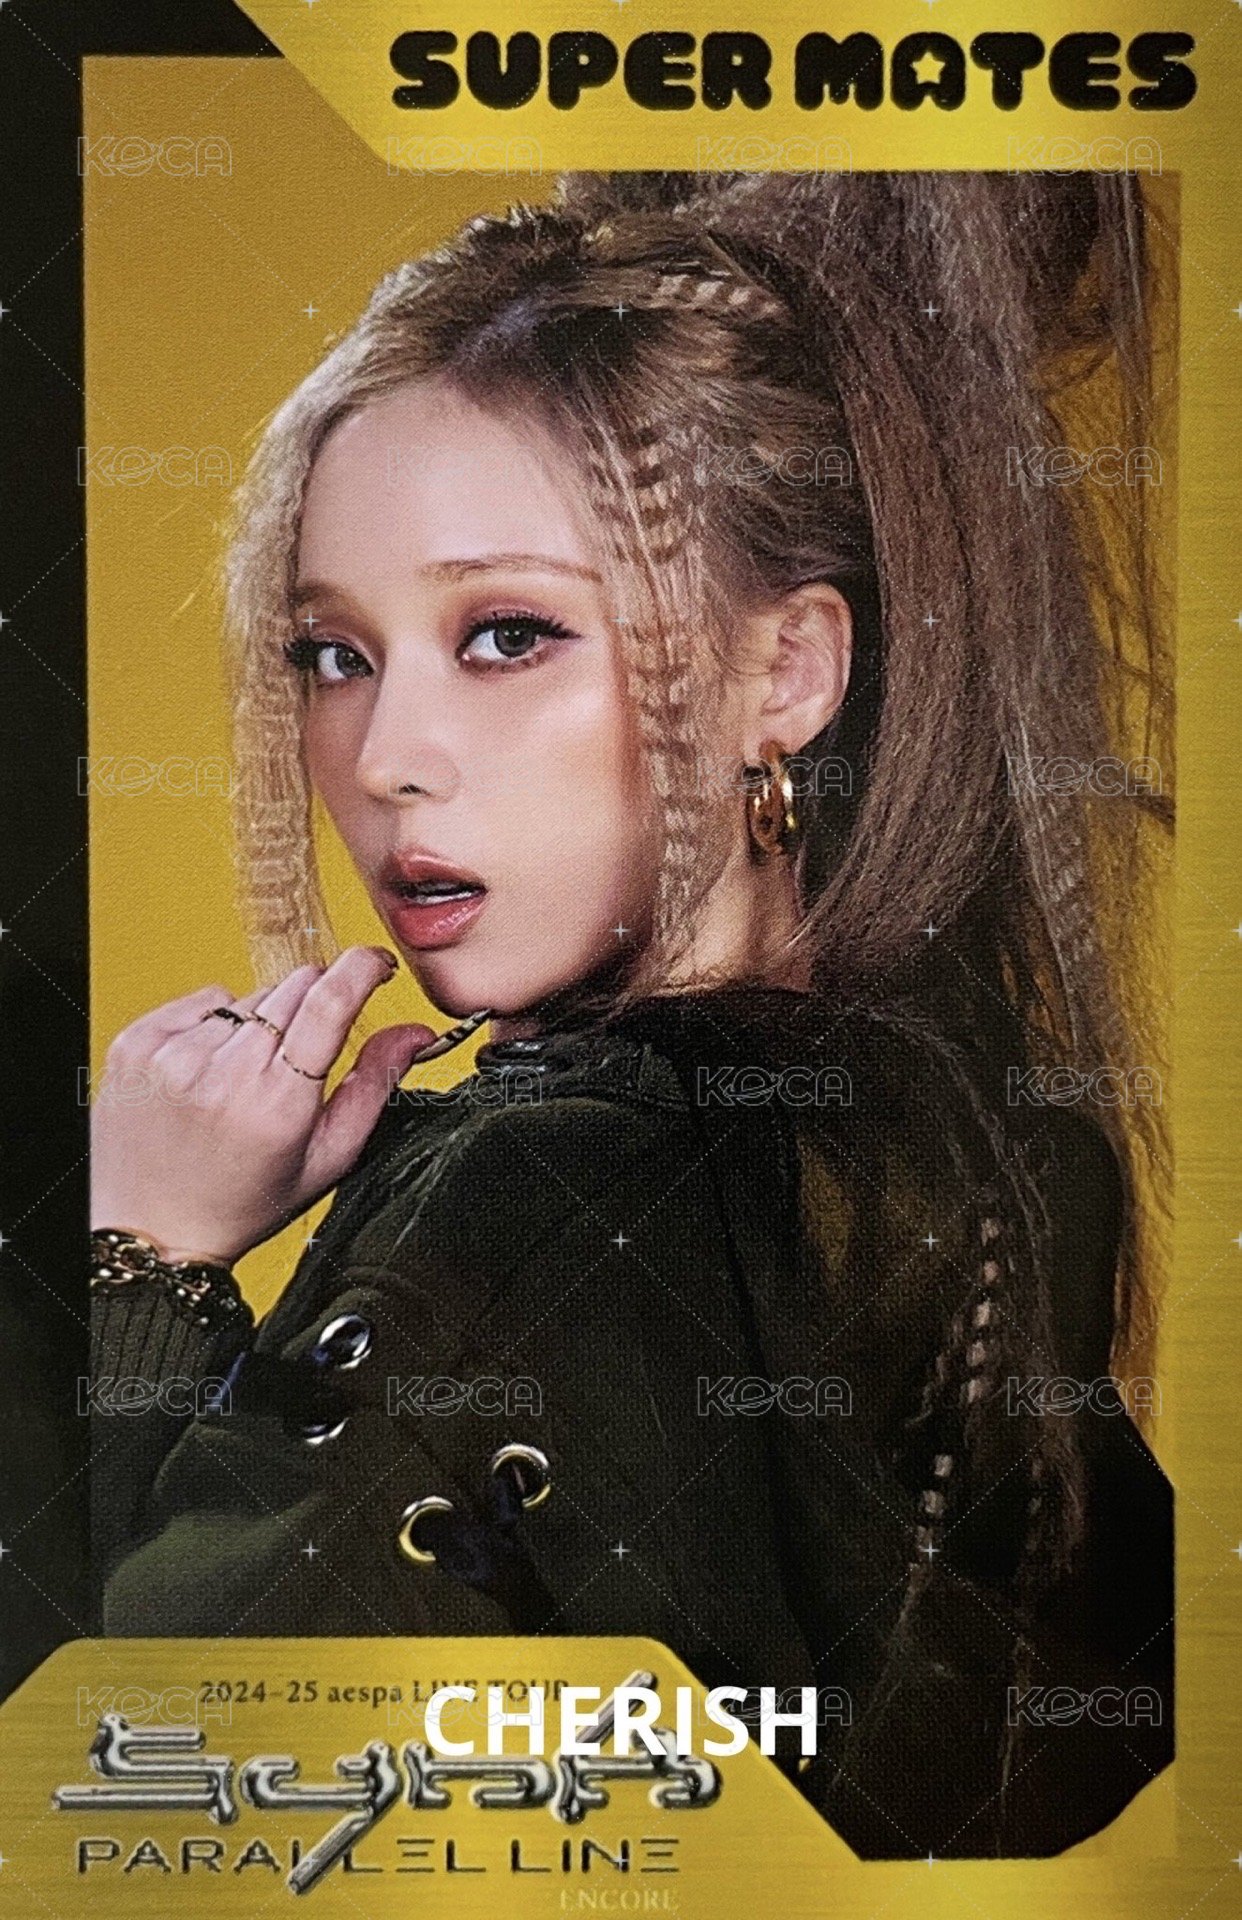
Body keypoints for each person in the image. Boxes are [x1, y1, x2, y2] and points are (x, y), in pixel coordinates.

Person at [89, 169, 1174, 1858]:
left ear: (783, 673)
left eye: (506, 635)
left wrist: (138, 1264)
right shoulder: (985, 1144)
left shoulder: (545, 1191)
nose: (385, 760)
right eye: (332, 656)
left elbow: (139, 1798)